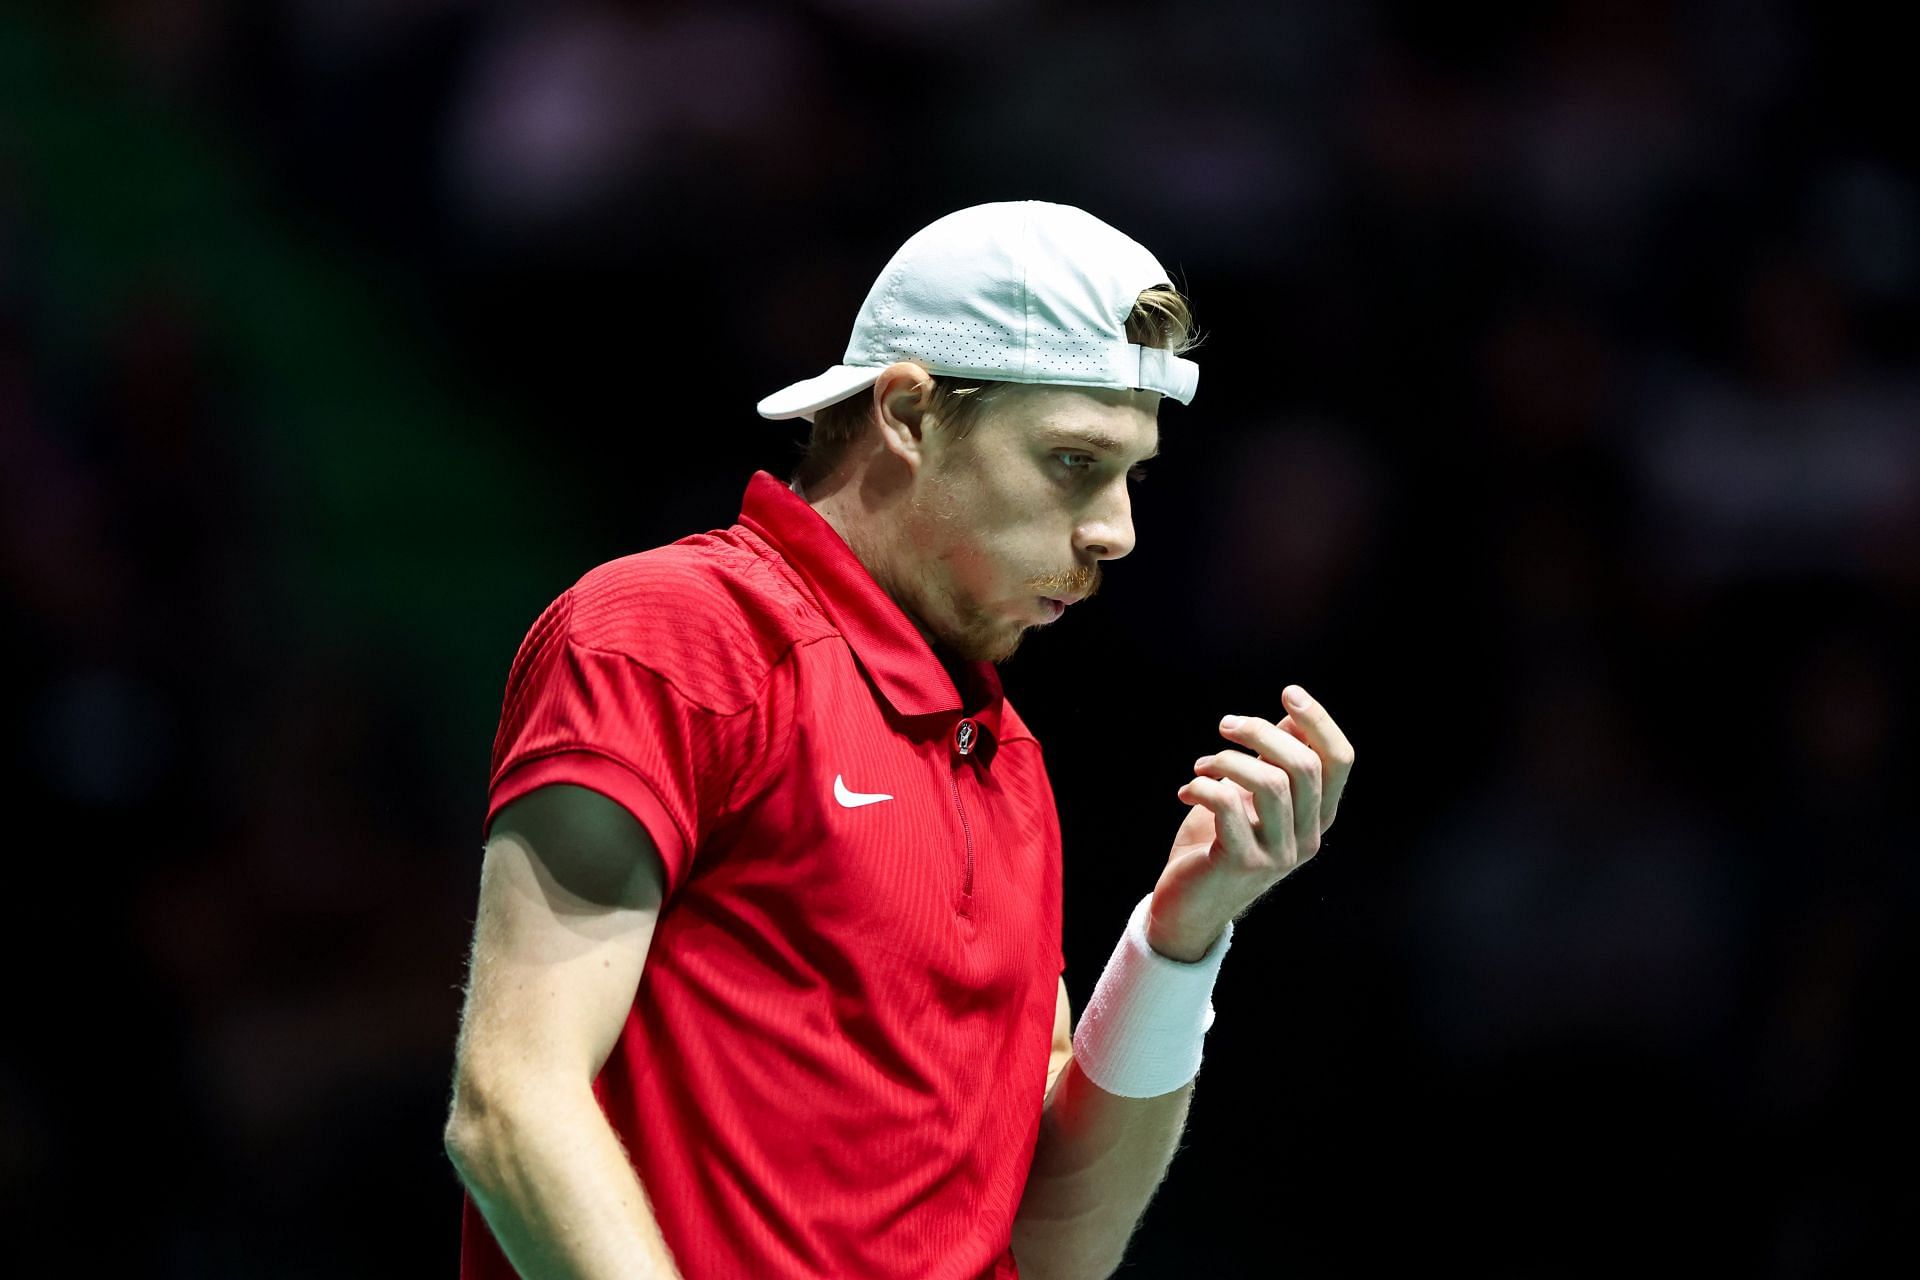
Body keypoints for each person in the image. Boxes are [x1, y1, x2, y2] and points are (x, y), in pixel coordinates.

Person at [443, 200, 1356, 1279]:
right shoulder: (674, 637)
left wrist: (1181, 937)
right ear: (910, 413)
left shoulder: (1006, 760)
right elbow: (514, 1103)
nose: (1117, 529)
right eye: (1074, 460)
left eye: (1133, 476)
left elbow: (1059, 1243)